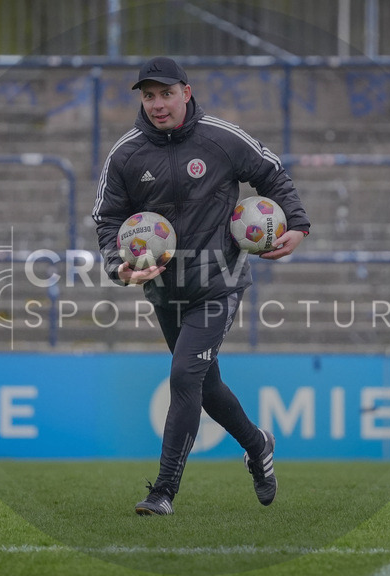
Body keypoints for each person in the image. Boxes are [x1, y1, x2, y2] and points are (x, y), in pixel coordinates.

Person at [92, 56, 310, 515]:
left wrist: (300, 225)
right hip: (164, 290)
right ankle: (257, 444)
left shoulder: (222, 138)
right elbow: (109, 219)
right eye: (149, 96)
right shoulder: (126, 154)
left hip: (219, 283)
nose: (157, 104)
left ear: (186, 92)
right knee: (206, 384)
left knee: (184, 375)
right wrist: (120, 266)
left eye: (166, 94)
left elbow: (272, 173)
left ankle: (163, 491)